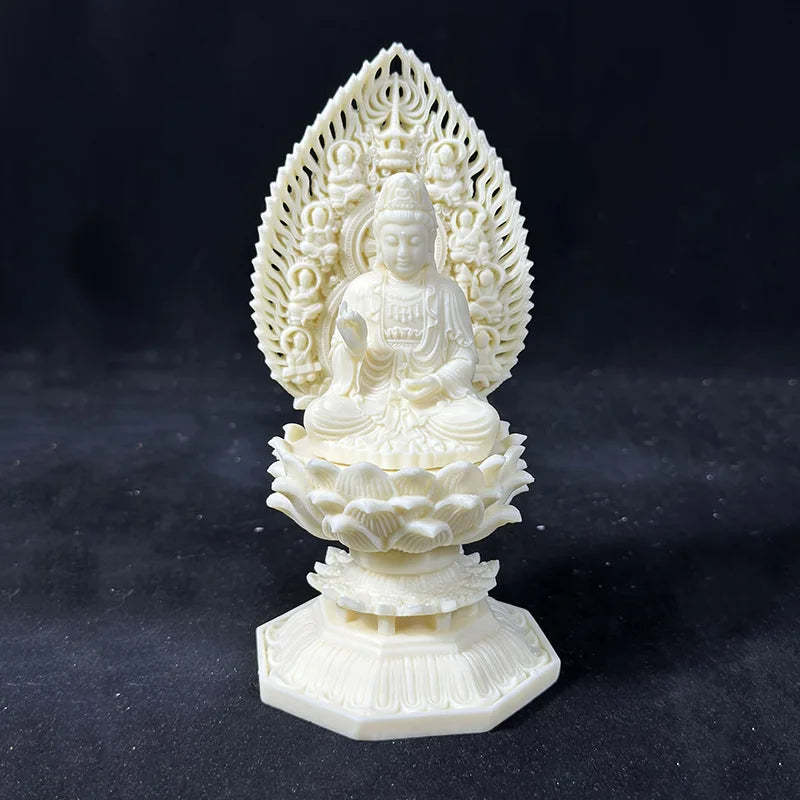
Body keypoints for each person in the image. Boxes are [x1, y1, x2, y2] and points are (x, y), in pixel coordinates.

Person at [302, 172, 499, 469]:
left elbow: (464, 356)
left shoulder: (447, 293)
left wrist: (436, 382)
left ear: (431, 241)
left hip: (433, 408)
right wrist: (354, 349)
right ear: (378, 242)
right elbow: (343, 377)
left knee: (483, 422)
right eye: (393, 241)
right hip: (371, 403)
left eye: (414, 241)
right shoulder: (362, 290)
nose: (403, 252)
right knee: (319, 416)